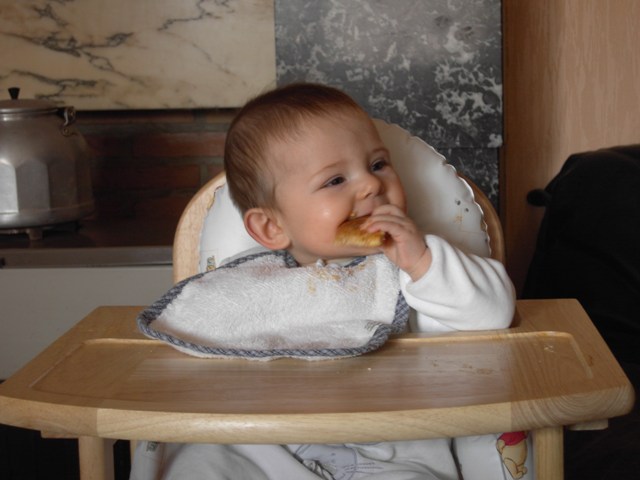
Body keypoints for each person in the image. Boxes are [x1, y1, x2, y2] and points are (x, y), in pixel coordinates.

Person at [131, 83, 522, 480]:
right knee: (198, 460)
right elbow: (187, 366)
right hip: (265, 447)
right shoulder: (247, 285)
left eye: (378, 164)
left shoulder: (414, 270)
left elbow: (493, 314)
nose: (371, 185)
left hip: (387, 454)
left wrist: (422, 261)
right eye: (335, 180)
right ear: (271, 227)